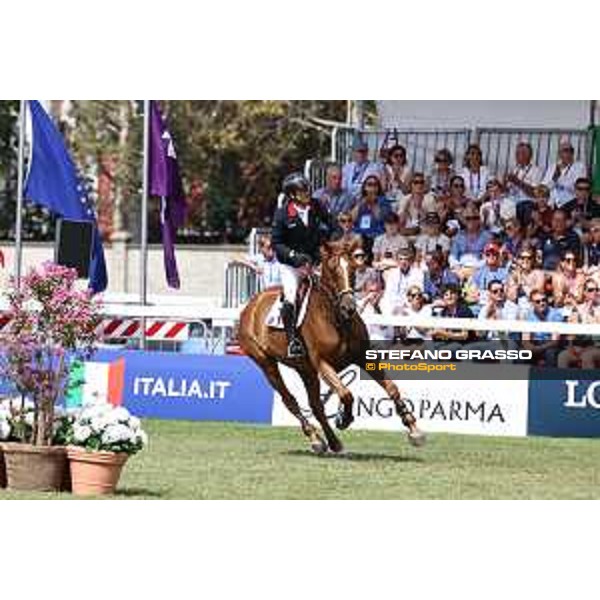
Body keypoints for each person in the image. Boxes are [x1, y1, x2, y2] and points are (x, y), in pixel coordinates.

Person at [271, 172, 333, 357]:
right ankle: (292, 341)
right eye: (302, 190)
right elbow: (277, 243)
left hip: (314, 261)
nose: (308, 192)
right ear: (292, 195)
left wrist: (331, 237)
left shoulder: (316, 206)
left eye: (307, 188)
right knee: (290, 297)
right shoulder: (283, 214)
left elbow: (331, 224)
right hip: (292, 265)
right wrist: (294, 256)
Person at [351, 175, 391, 260]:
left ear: (378, 188)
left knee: (374, 240)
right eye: (369, 184)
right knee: (357, 238)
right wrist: (361, 203)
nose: (372, 187)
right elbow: (351, 219)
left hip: (376, 233)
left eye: (375, 185)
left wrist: (373, 204)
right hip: (360, 234)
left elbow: (380, 218)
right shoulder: (360, 200)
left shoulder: (383, 201)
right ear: (365, 187)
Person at [505, 142, 543, 226]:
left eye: (522, 153)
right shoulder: (514, 169)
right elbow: (507, 190)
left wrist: (518, 182)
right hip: (512, 201)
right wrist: (503, 184)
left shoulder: (536, 171)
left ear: (529, 156)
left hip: (527, 202)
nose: (518, 155)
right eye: (517, 153)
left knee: (525, 207)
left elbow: (535, 193)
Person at [542, 140, 587, 209]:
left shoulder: (580, 167)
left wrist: (562, 181)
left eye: (571, 150)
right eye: (566, 150)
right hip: (552, 203)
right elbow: (543, 189)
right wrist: (554, 179)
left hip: (570, 203)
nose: (569, 153)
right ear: (559, 153)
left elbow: (579, 188)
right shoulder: (552, 167)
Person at [522, 289, 563, 366]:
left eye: (544, 300)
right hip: (535, 344)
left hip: (550, 345)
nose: (542, 303)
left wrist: (539, 348)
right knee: (522, 353)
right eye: (538, 301)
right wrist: (531, 348)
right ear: (532, 303)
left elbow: (555, 341)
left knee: (550, 353)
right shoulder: (529, 316)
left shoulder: (555, 314)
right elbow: (525, 340)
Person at [379, 246, 425, 315]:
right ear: (397, 261)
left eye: (406, 259)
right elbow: (388, 293)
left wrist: (405, 304)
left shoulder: (418, 273)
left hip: (410, 304)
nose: (403, 262)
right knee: (383, 302)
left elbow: (417, 292)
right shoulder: (392, 274)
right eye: (401, 259)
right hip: (393, 304)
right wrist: (396, 305)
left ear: (410, 261)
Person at [449, 202, 492, 270]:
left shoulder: (487, 236)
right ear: (465, 220)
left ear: (479, 220)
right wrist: (457, 266)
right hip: (461, 268)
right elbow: (453, 256)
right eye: (468, 218)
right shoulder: (458, 236)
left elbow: (489, 256)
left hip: (479, 268)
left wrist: (476, 268)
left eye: (475, 218)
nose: (472, 221)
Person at [470, 243, 510, 313]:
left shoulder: (504, 273)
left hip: (499, 305)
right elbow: (473, 293)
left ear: (498, 256)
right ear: (484, 256)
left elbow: (505, 292)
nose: (491, 256)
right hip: (480, 305)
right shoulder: (478, 273)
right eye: (488, 254)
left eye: (494, 254)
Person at [396, 172, 436, 237]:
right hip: (408, 230)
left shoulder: (430, 199)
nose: (419, 185)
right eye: (416, 182)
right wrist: (405, 209)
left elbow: (432, 221)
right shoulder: (405, 199)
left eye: (421, 182)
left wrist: (419, 209)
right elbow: (400, 220)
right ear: (411, 184)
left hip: (425, 232)